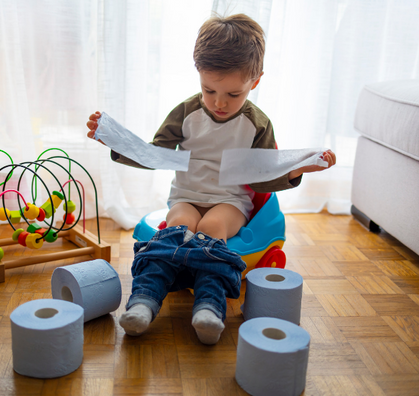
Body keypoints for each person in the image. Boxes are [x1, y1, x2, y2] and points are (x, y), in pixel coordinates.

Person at [87, 14, 336, 344]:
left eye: (233, 94)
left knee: (211, 229)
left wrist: (300, 168)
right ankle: (144, 301)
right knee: (177, 228)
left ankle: (209, 306)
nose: (219, 102)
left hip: (229, 202)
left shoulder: (257, 124)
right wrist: (114, 141)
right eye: (209, 90)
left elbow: (263, 175)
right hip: (186, 196)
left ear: (255, 81)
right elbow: (154, 154)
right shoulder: (186, 113)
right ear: (199, 76)